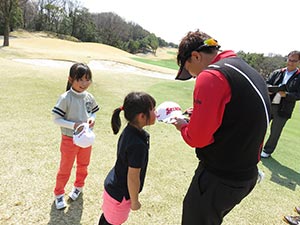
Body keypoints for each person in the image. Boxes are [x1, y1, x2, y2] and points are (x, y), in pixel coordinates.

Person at [173, 30, 271, 225]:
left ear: (196, 56)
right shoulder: (244, 68)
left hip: (220, 177)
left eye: (189, 70)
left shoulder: (211, 75)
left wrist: (183, 126)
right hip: (245, 175)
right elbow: (241, 114)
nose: (193, 76)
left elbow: (197, 138)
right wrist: (202, 113)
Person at [98, 92, 156, 225]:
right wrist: (134, 201)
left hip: (114, 186)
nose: (155, 112)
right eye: (153, 109)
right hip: (120, 195)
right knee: (112, 222)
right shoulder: (137, 145)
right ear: (141, 116)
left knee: (107, 219)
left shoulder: (130, 130)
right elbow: (133, 176)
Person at [52, 63, 99, 210]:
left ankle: (79, 186)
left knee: (83, 165)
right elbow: (56, 119)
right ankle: (59, 193)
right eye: (80, 80)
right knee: (65, 168)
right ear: (71, 79)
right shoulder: (66, 98)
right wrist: (74, 125)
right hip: (69, 139)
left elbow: (93, 112)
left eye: (87, 79)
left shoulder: (89, 97)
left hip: (86, 138)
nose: (84, 84)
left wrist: (92, 118)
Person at [260, 51, 300, 158]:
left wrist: (286, 95)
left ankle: (267, 151)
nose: (290, 63)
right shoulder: (278, 72)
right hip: (269, 104)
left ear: (299, 62)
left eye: (294, 61)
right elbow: (267, 83)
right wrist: (268, 89)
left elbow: (298, 95)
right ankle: (255, 147)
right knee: (260, 127)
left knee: (275, 132)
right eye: (289, 59)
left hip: (283, 108)